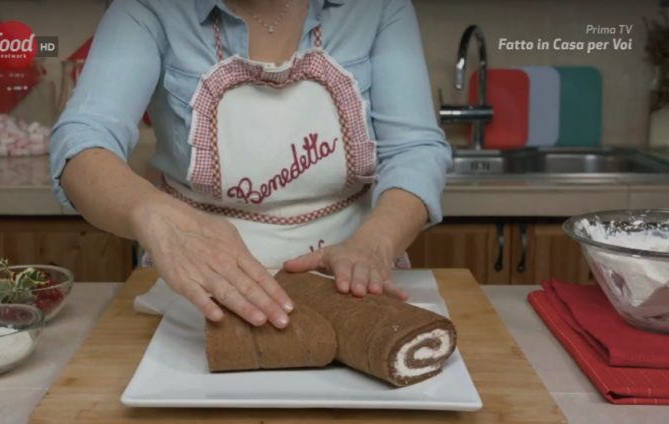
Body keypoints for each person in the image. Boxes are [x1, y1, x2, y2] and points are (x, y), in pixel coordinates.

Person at [51, 0, 451, 330]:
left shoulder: (378, 8)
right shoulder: (148, 9)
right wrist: (155, 216)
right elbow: (83, 143)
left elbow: (414, 150)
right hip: (195, 298)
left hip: (351, 290)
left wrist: (375, 244)